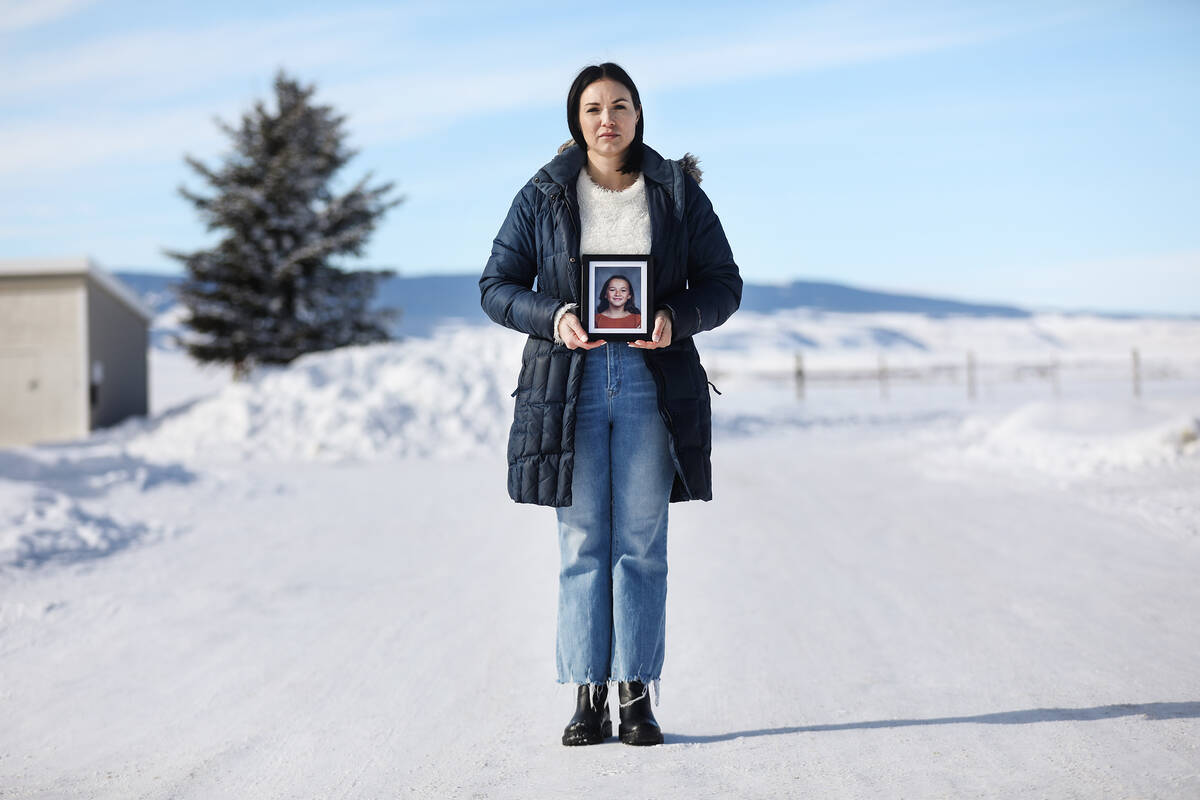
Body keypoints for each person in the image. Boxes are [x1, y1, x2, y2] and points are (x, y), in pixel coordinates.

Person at [479, 62, 741, 747]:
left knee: (641, 543)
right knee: (582, 541)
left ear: (638, 115)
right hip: (571, 382)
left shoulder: (678, 193)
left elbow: (724, 283)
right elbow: (496, 285)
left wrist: (675, 318)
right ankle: (586, 695)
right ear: (576, 119)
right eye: (593, 107)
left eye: (620, 105)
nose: (607, 118)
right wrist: (555, 315)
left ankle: (636, 694)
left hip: (654, 380)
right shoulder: (542, 194)